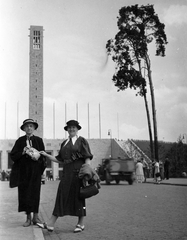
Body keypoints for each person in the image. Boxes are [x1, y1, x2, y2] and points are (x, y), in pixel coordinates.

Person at [37, 120, 94, 233]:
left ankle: (80, 223)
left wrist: (86, 172)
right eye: (69, 128)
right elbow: (60, 160)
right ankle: (51, 223)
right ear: (67, 129)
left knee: (79, 197)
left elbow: (87, 157)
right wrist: (47, 155)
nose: (71, 129)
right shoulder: (64, 143)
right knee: (61, 196)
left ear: (77, 129)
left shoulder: (82, 141)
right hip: (67, 174)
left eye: (74, 127)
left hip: (79, 174)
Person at [10, 119, 46, 227]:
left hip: (35, 171)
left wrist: (39, 161)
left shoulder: (39, 140)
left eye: (31, 126)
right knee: (25, 194)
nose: (29, 128)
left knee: (35, 193)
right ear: (24, 129)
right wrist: (23, 152)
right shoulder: (20, 141)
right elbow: (13, 155)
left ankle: (36, 217)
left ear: (34, 128)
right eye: (27, 126)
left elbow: (43, 156)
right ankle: (28, 218)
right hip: (23, 172)